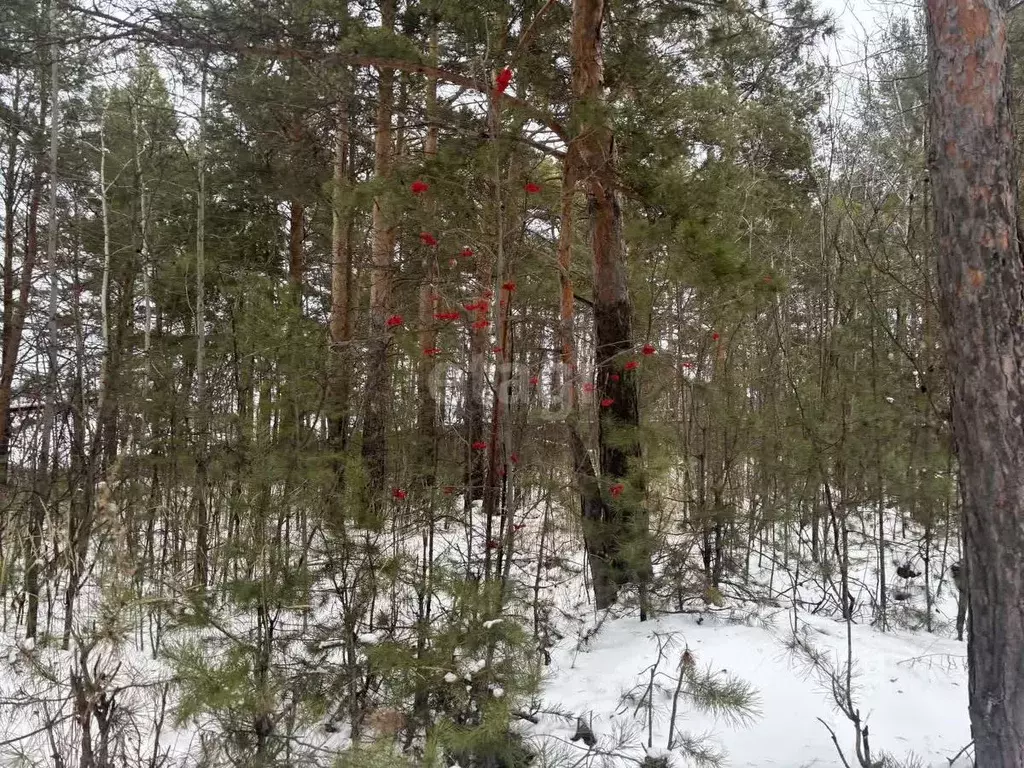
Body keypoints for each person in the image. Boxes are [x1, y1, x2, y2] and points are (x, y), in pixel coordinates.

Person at [950, 560, 968, 641]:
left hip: (969, 593)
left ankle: (965, 634)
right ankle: (959, 634)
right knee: (961, 613)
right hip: (964, 594)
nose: (955, 572)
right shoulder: (956, 576)